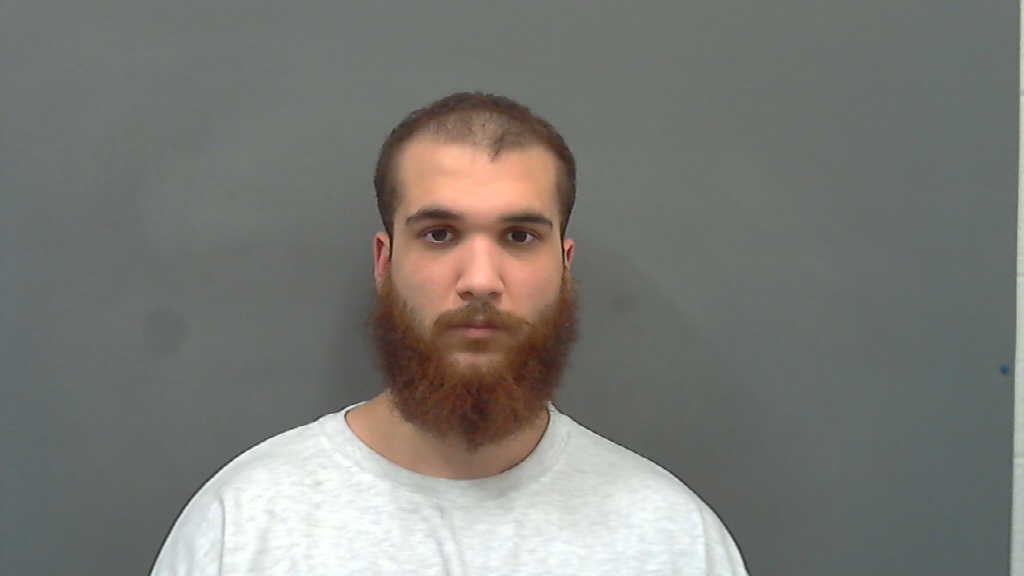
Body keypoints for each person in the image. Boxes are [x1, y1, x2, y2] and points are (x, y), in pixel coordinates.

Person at [151, 92, 749, 575]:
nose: (481, 280)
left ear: (565, 266)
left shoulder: (673, 541)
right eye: (439, 234)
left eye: (519, 237)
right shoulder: (242, 529)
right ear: (385, 263)